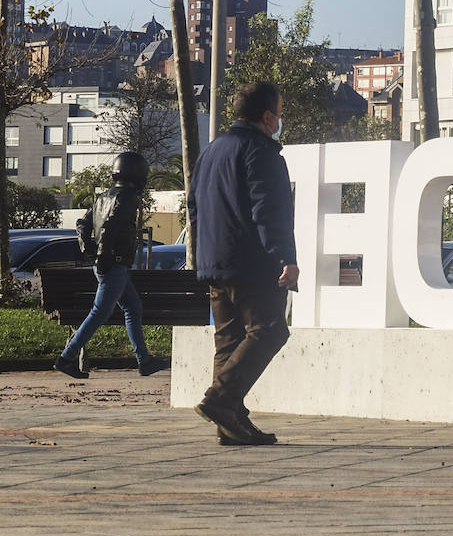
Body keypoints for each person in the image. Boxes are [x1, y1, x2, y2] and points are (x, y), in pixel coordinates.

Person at [188, 81, 298, 446]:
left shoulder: (212, 150)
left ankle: (230, 424)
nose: (281, 120)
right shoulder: (261, 151)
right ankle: (219, 401)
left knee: (229, 342)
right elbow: (270, 211)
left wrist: (203, 254)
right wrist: (285, 257)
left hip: (215, 261)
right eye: (280, 114)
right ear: (267, 117)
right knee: (270, 329)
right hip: (252, 261)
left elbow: (194, 206)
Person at [54, 152, 171, 379]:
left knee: (133, 308)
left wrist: (89, 249)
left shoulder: (103, 197)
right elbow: (111, 225)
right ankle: (66, 358)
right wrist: (103, 253)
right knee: (99, 313)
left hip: (110, 265)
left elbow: (83, 224)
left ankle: (144, 360)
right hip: (114, 265)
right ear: (137, 174)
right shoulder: (128, 198)